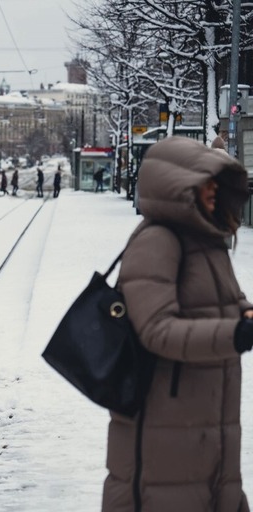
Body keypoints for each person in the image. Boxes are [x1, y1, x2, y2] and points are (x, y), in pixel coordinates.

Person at [103, 136, 253, 511]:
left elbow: (225, 302)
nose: (215, 193)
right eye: (207, 184)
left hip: (206, 414)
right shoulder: (157, 241)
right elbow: (155, 328)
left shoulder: (208, 242)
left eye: (218, 184)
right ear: (178, 187)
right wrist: (235, 334)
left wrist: (245, 313)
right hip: (165, 418)